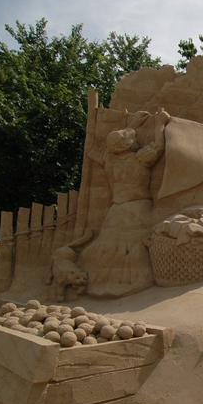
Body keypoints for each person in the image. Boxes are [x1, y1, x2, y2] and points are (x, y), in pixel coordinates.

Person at [78, 108, 170, 297]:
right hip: (137, 208)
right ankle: (132, 282)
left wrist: (133, 124)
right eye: (134, 138)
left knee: (110, 247)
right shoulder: (139, 159)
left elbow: (113, 146)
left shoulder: (109, 159)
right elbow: (159, 145)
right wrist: (160, 123)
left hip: (116, 210)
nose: (137, 139)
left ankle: (101, 282)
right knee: (133, 248)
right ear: (129, 144)